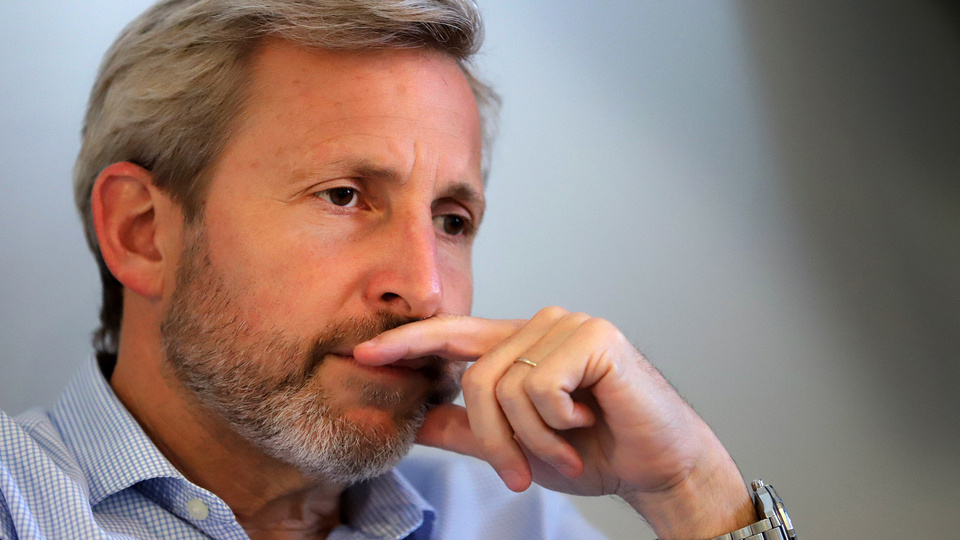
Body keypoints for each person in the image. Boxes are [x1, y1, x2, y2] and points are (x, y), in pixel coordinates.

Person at [0, 1, 767, 539]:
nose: (426, 289)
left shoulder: (508, 522)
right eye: (344, 196)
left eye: (452, 221)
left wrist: (691, 492)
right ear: (142, 233)